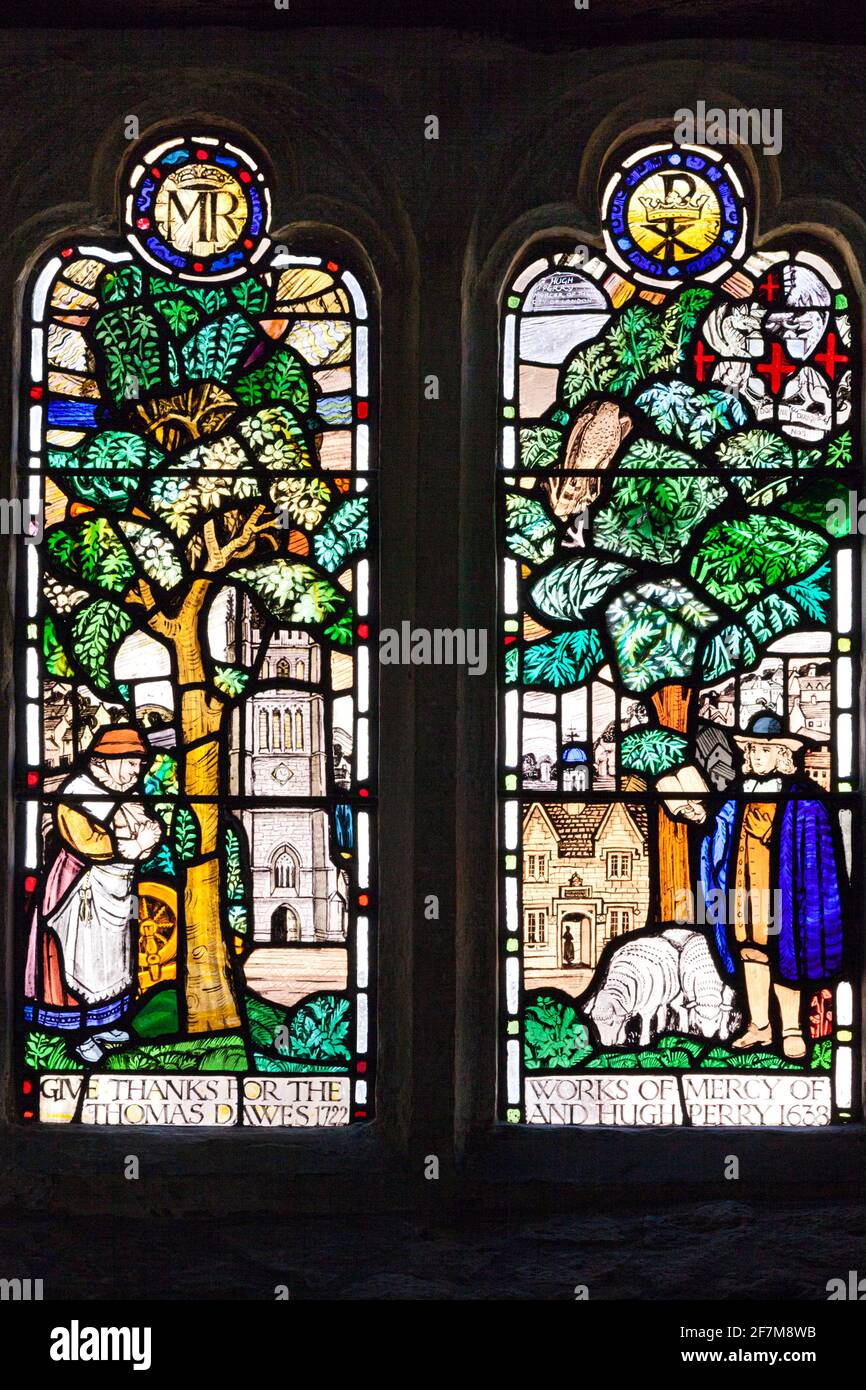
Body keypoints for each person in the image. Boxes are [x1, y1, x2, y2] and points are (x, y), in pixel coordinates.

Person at [699, 712, 844, 1059]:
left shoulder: (804, 798)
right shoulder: (739, 795)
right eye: (748, 751)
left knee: (785, 955)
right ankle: (760, 1025)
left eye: (757, 751)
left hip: (785, 889)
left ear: (781, 753)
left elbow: (814, 857)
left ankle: (791, 1029)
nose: (749, 757)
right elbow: (719, 837)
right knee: (749, 950)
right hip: (743, 886)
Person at [25, 725, 163, 1063]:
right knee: (79, 961)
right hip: (78, 892)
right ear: (104, 761)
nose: (136, 770)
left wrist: (144, 842)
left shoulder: (127, 795)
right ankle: (78, 1032)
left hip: (117, 889)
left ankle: (104, 1021)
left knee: (114, 962)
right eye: (131, 762)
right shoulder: (77, 795)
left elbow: (150, 828)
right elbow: (90, 843)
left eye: (139, 764)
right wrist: (135, 844)